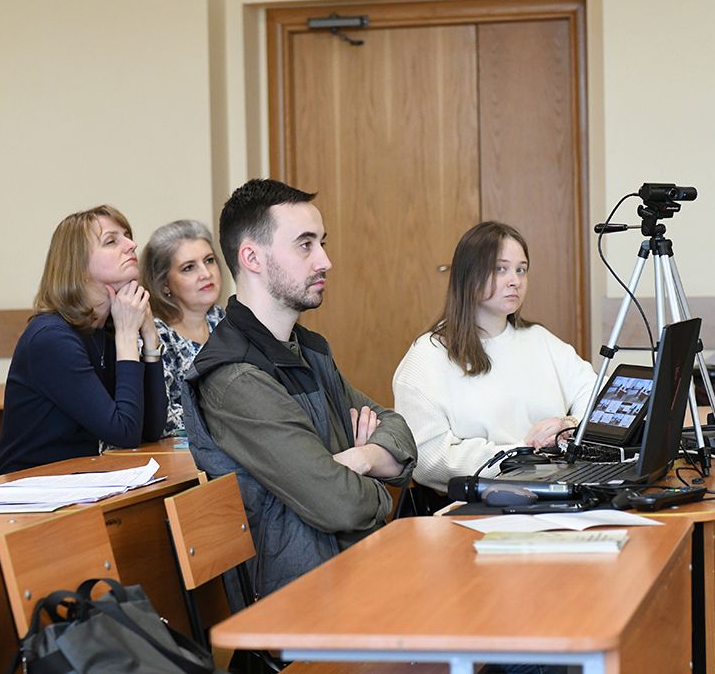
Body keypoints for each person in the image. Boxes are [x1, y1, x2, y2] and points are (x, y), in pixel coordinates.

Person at [183, 179, 417, 597]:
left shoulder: (307, 349)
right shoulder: (235, 378)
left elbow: (397, 429)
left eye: (321, 243)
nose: (325, 261)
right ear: (252, 258)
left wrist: (361, 457)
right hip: (303, 599)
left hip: (356, 571)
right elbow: (340, 504)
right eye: (305, 245)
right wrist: (380, 485)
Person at [392, 220, 597, 493]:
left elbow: (599, 396)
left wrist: (568, 426)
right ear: (469, 275)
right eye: (501, 269)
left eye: (521, 269)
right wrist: (522, 452)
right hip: (477, 501)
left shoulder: (539, 339)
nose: (515, 281)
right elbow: (429, 460)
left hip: (555, 489)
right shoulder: (429, 355)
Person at [0, 205, 167, 475]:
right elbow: (124, 433)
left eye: (127, 236)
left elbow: (150, 430)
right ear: (79, 266)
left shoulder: (105, 329)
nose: (131, 245)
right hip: (28, 489)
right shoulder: (50, 338)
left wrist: (150, 338)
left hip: (79, 483)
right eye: (111, 241)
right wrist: (126, 337)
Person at [140, 219, 225, 436]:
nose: (206, 273)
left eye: (209, 260)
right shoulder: (155, 335)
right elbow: (165, 420)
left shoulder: (223, 320)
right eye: (189, 268)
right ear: (165, 284)